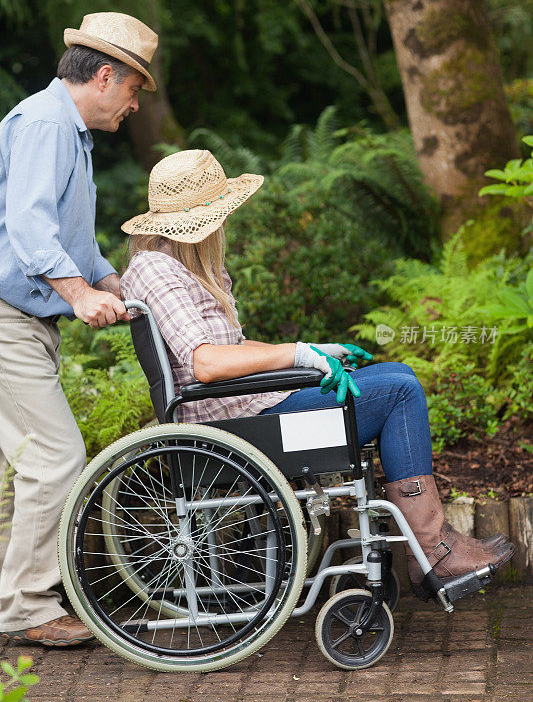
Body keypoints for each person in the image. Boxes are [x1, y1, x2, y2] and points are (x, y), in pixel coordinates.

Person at [120, 149, 514, 589]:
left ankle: (431, 546)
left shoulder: (181, 265)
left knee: (399, 372)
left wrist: (318, 351)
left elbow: (230, 348)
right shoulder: (157, 268)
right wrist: (299, 354)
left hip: (252, 412)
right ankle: (432, 550)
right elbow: (206, 362)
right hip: (238, 433)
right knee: (401, 392)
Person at [0, 12, 158, 647]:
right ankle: (27, 609)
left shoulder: (71, 134)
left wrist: (113, 283)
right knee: (56, 456)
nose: (135, 104)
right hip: (8, 318)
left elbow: (72, 240)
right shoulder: (44, 125)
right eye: (134, 89)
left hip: (25, 318)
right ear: (102, 76)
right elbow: (28, 229)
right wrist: (77, 294)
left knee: (35, 460)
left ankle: (24, 595)